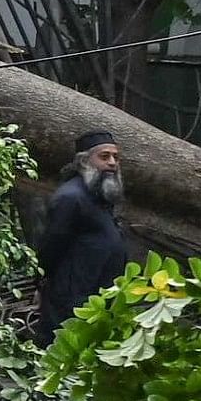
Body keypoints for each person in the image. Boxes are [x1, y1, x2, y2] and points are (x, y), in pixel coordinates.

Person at [32, 126, 140, 339]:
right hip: (73, 300)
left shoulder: (100, 194)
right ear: (84, 161)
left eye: (116, 158)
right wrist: (41, 284)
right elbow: (51, 247)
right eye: (105, 157)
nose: (112, 163)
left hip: (100, 297)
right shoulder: (70, 197)